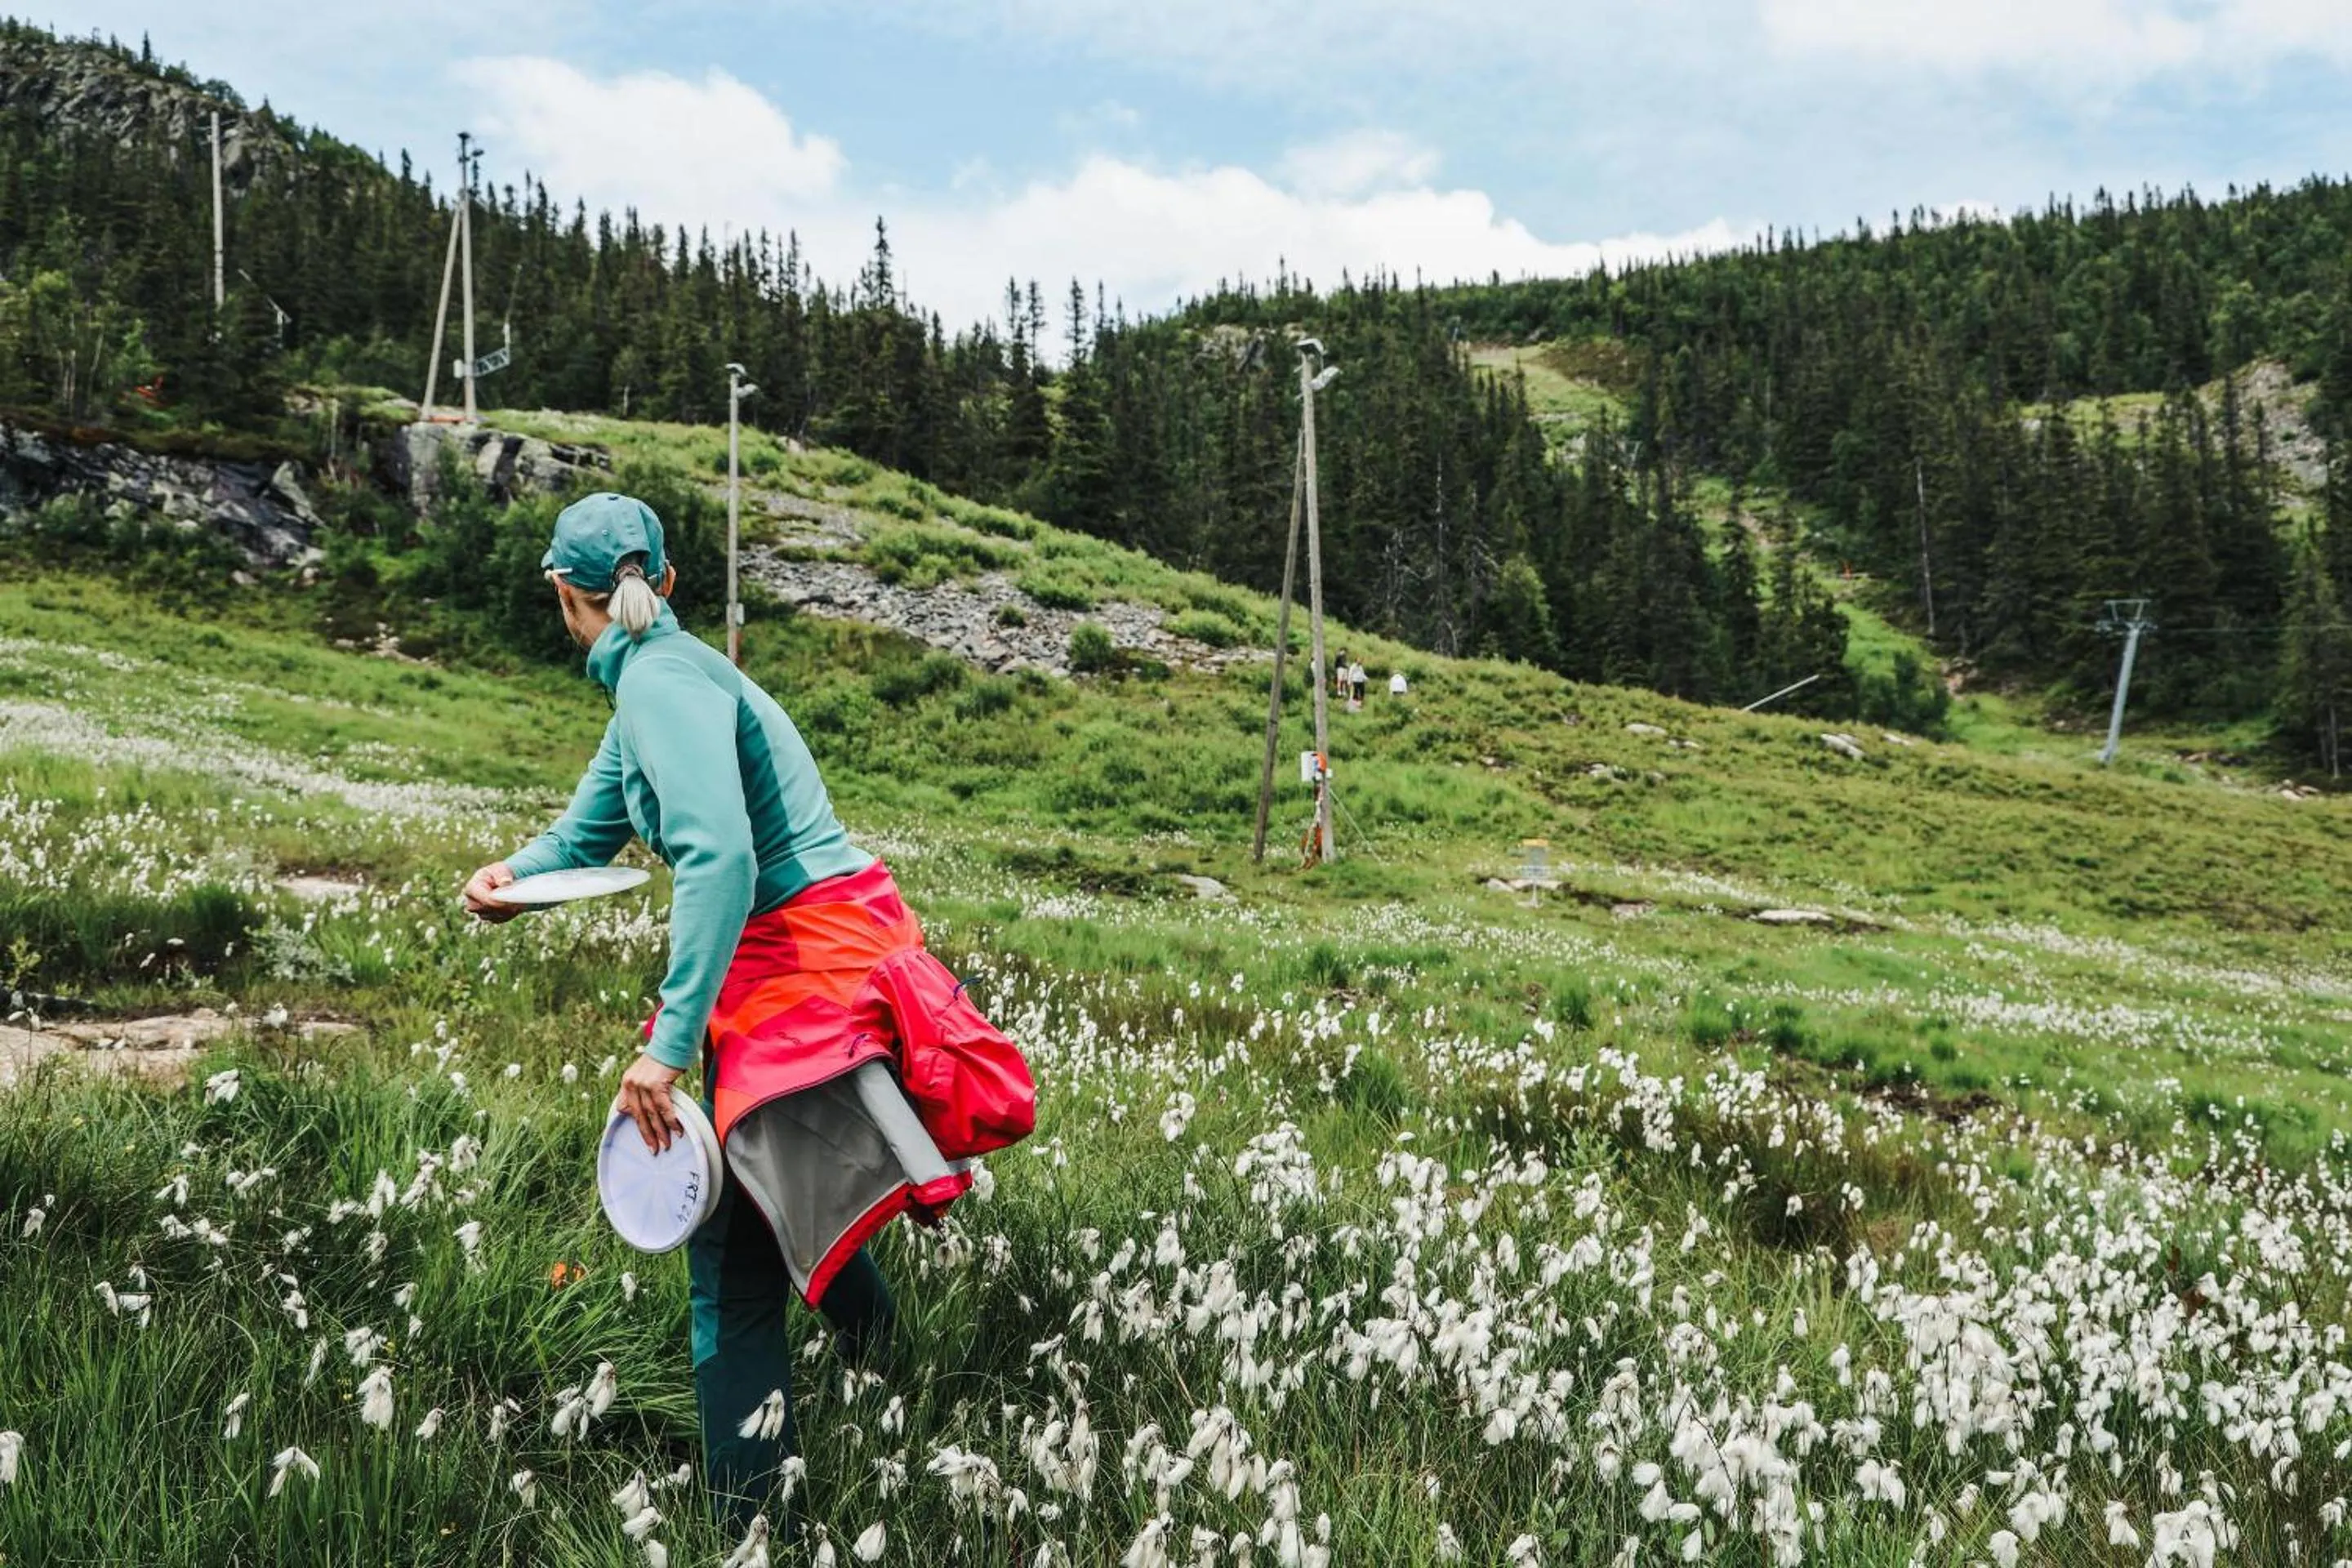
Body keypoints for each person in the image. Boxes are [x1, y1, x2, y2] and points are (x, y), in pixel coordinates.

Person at [459, 492, 1029, 1535]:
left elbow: (719, 859)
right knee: (781, 1186)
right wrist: (516, 875)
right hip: (823, 960)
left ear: (562, 594)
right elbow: (590, 826)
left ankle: (750, 1527)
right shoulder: (667, 676)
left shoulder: (662, 688)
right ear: (665, 582)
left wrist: (664, 1054)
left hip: (798, 976)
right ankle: (891, 1377)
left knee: (727, 1258)